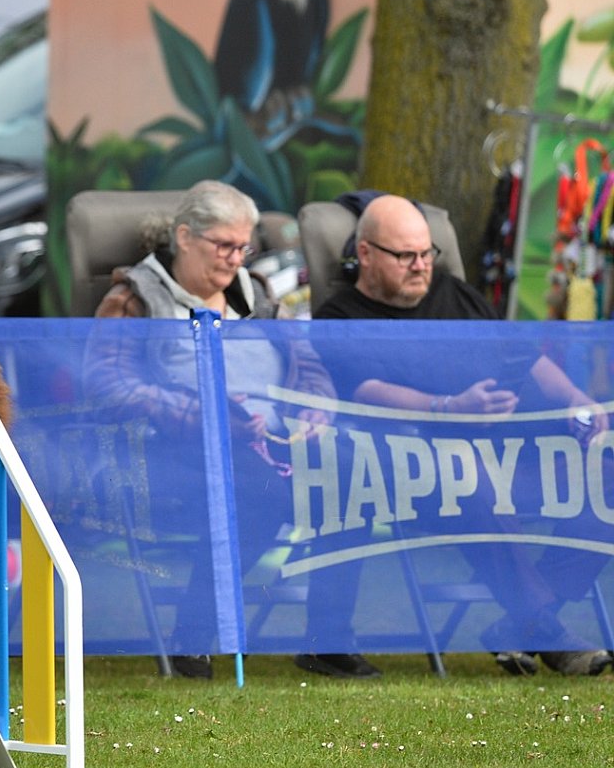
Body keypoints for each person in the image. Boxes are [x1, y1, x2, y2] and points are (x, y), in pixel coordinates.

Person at [86, 180, 377, 680]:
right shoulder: (132, 300)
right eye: (224, 245)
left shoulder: (256, 296)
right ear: (184, 237)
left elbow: (309, 366)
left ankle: (328, 640)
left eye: (244, 248)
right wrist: (200, 414)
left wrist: (316, 409)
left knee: (350, 475)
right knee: (258, 490)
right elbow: (107, 386)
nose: (235, 259)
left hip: (274, 442)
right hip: (172, 451)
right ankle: (194, 636)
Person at [313, 192, 612, 677]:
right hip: (419, 469)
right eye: (405, 256)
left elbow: (523, 355)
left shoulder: (454, 292)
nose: (420, 266)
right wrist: (450, 409)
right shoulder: (340, 318)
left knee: (607, 478)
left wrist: (577, 399)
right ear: (365, 253)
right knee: (469, 474)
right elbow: (364, 390)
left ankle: (528, 621)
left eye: (426, 253)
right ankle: (544, 627)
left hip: (512, 453)